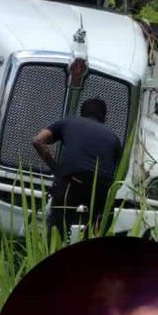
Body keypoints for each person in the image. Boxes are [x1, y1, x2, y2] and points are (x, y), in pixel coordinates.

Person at [31, 98, 123, 239]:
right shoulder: (114, 139)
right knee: (98, 231)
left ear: (81, 114)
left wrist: (56, 169)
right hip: (100, 188)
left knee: (57, 231)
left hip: (72, 180)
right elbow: (116, 171)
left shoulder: (68, 122)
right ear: (106, 118)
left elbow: (37, 140)